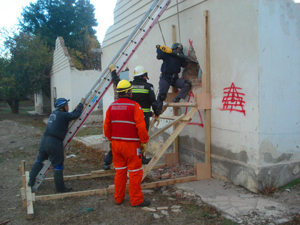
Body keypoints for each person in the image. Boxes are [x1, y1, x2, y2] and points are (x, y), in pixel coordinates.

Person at [104, 79, 150, 207]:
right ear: (129, 92)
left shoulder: (111, 107)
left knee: (120, 172)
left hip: (116, 145)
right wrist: (144, 142)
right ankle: (136, 200)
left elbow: (106, 126)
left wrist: (109, 139)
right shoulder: (135, 106)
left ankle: (118, 198)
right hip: (131, 146)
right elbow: (141, 127)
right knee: (135, 172)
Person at [103, 64, 159, 169]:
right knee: (140, 139)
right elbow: (153, 102)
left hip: (128, 116)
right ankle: (140, 158)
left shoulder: (129, 85)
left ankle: (107, 161)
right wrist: (157, 113)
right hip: (143, 117)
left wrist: (113, 71)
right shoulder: (148, 87)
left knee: (121, 138)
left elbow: (117, 83)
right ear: (144, 76)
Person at [27, 98, 83, 192]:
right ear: (62, 107)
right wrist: (81, 105)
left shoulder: (54, 114)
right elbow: (76, 115)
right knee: (58, 164)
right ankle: (60, 188)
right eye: (66, 105)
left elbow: (69, 115)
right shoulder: (63, 115)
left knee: (39, 160)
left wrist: (75, 109)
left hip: (44, 140)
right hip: (54, 142)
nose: (68, 107)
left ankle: (31, 180)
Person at [156, 43, 192, 114]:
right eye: (177, 49)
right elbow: (159, 56)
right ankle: (158, 110)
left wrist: (182, 57)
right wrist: (159, 49)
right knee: (162, 96)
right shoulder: (168, 54)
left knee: (187, 84)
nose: (178, 51)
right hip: (166, 77)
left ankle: (177, 98)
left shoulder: (178, 57)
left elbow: (184, 64)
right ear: (174, 49)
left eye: (180, 50)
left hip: (174, 78)